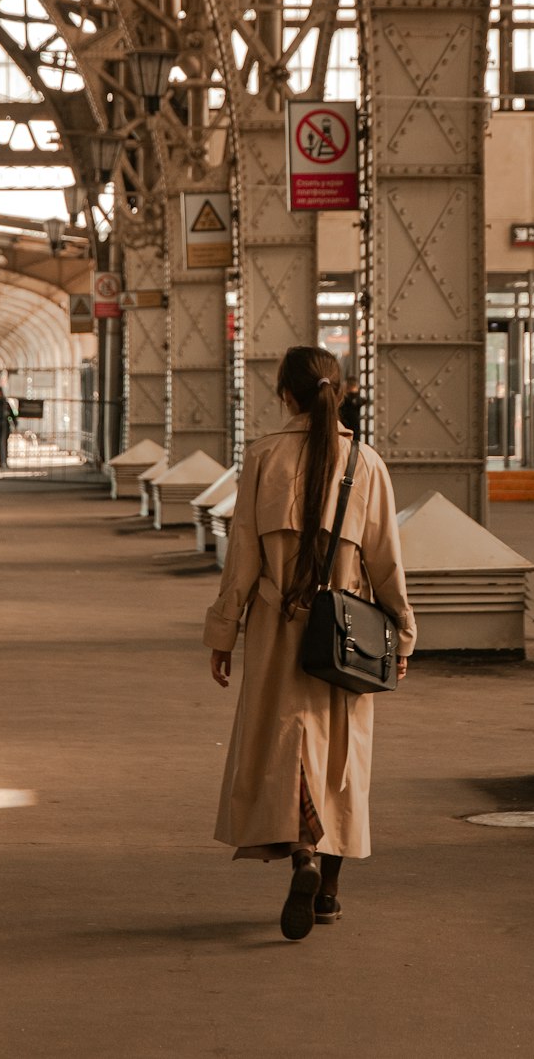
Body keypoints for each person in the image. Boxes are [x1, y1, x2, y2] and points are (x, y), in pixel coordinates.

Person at [203, 345, 416, 942]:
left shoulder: (263, 459)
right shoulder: (368, 464)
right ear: (341, 392)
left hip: (277, 628)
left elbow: (242, 557)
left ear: (287, 396)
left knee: (287, 746)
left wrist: (223, 631)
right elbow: (387, 561)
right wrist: (402, 633)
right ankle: (329, 891)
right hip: (346, 630)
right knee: (342, 760)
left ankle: (301, 852)